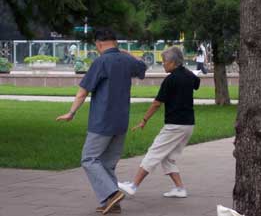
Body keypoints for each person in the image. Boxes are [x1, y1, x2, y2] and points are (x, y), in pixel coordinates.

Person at [56, 28, 147, 214]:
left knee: (89, 159)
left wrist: (71, 112)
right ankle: (112, 204)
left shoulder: (101, 61)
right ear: (116, 42)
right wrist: (126, 53)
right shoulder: (127, 60)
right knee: (107, 164)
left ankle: (112, 194)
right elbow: (142, 67)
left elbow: (83, 91)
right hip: (121, 121)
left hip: (102, 121)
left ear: (98, 44)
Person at [118, 46, 200, 199]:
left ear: (172, 62)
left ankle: (133, 185)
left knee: (154, 152)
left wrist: (144, 120)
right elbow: (197, 83)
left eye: (164, 61)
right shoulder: (188, 75)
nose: (163, 64)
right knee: (167, 157)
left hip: (175, 125)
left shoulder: (170, 80)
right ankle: (180, 188)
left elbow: (157, 103)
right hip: (188, 124)